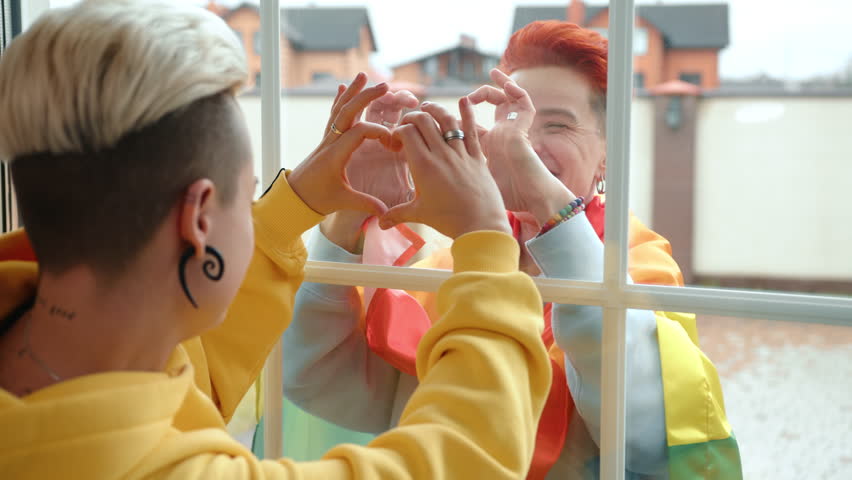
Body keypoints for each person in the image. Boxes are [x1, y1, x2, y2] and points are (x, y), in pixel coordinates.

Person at [0, 1, 553, 478]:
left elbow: (194, 362)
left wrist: (300, 202)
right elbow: (465, 460)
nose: (257, 212)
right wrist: (484, 241)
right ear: (197, 221)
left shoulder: (62, 345)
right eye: (247, 198)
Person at [281, 21, 743, 479]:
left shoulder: (639, 263)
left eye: (557, 125)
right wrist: (350, 212)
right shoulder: (452, 264)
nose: (522, 141)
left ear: (606, 155)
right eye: (509, 121)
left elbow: (646, 433)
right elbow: (315, 379)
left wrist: (549, 207)